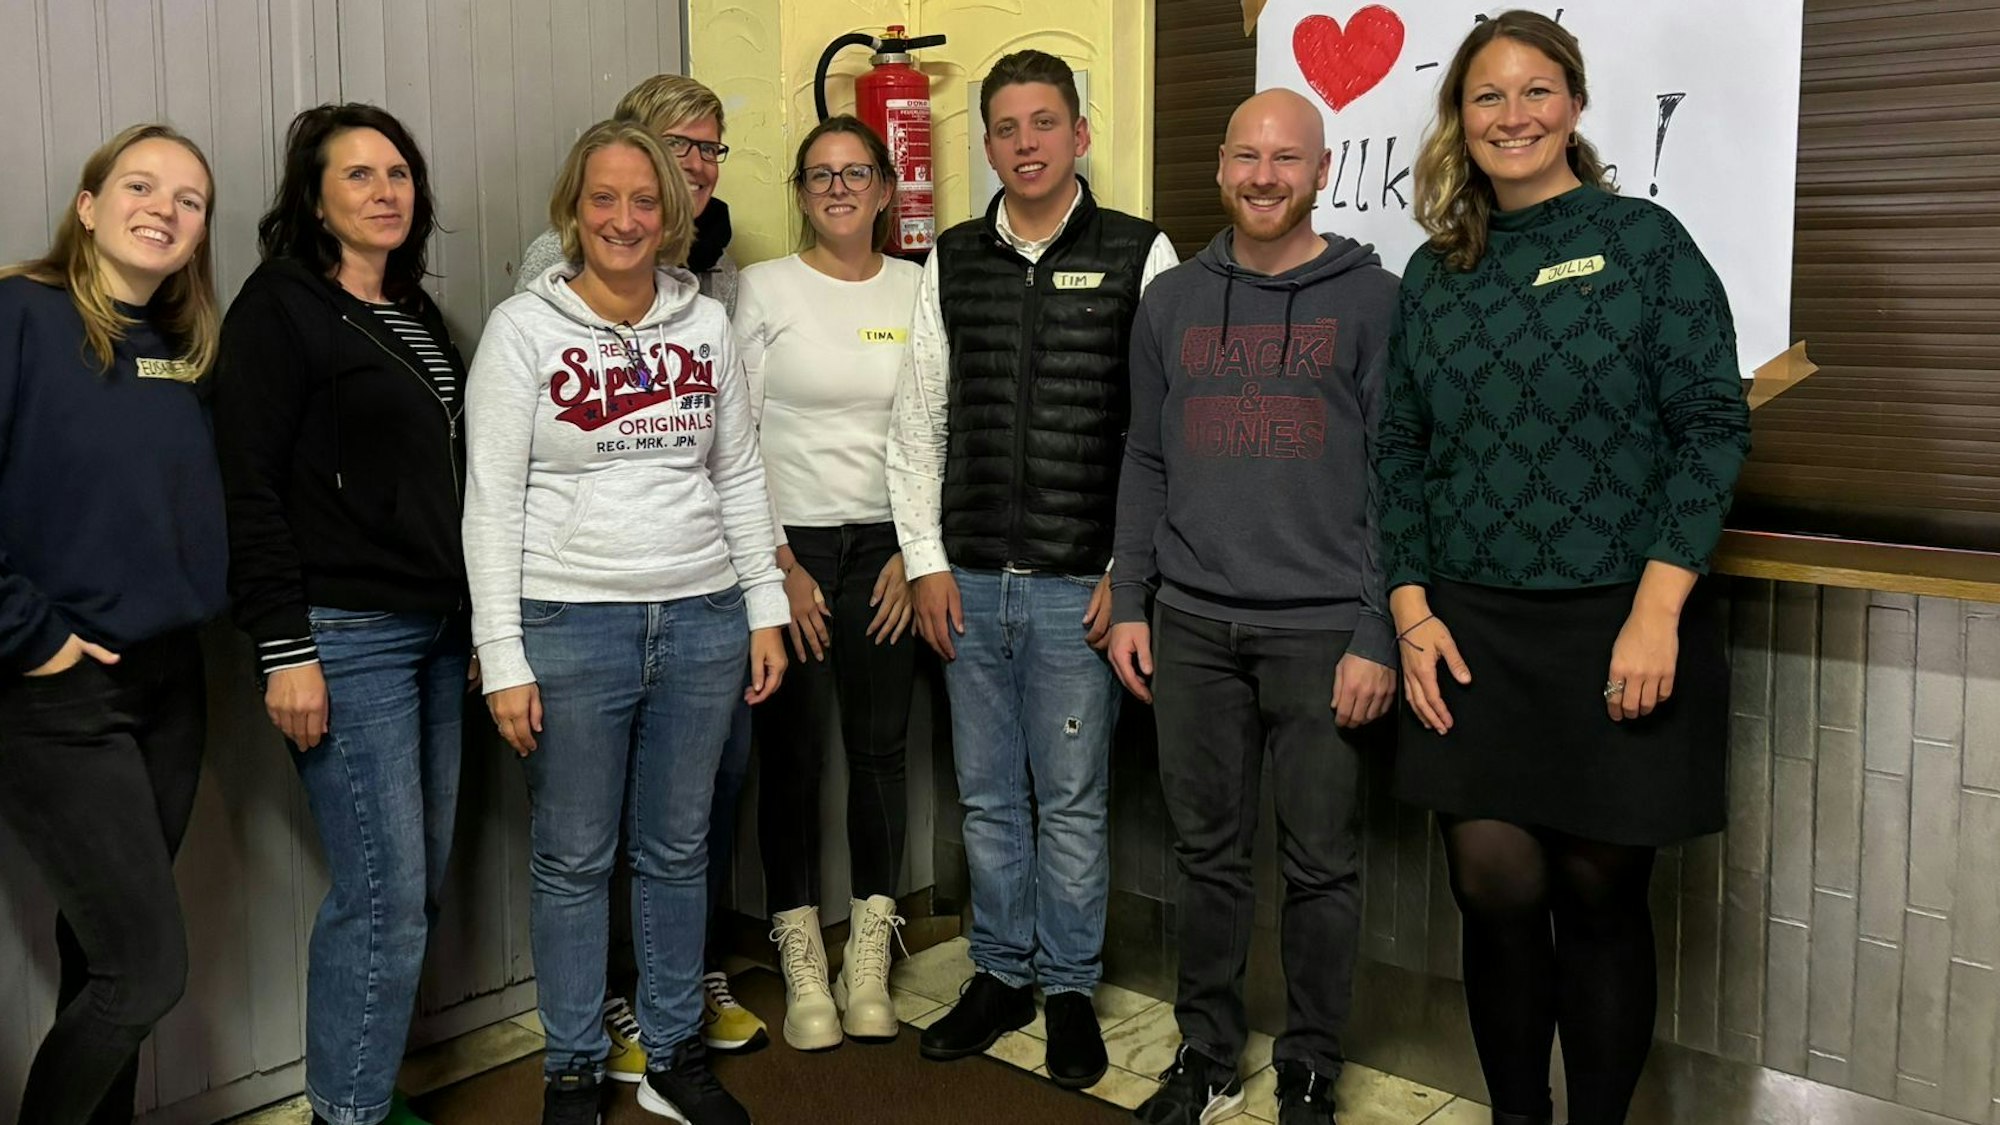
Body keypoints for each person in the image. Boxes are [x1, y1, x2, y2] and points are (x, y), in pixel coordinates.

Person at [1375, 12, 1752, 1125]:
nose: (1512, 116)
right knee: (1491, 889)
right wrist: (1409, 612)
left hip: (1620, 618)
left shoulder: (1645, 243)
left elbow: (1710, 427)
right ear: (1459, 118)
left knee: (1598, 896)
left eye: (1535, 91)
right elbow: (1398, 451)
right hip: (1469, 632)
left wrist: (1656, 614)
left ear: (1575, 104)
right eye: (1486, 96)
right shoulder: (1434, 273)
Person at [463, 118, 787, 1125]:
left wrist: (764, 609)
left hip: (703, 617)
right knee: (572, 859)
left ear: (671, 213)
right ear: (574, 209)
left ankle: (673, 1052)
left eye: (645, 200)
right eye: (603, 198)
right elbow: (489, 502)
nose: (624, 218)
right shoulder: (524, 328)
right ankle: (572, 1065)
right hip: (570, 625)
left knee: (679, 849)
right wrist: (501, 653)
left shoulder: (705, 325)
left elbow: (738, 475)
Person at [885, 48, 1179, 1089]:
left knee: (1071, 802)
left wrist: (1126, 571)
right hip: (967, 584)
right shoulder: (952, 259)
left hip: (1075, 589)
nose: (1025, 144)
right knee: (986, 799)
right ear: (987, 145)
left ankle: (1067, 989)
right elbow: (917, 422)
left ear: (1080, 134)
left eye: (1044, 123)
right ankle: (1001, 970)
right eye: (1006, 128)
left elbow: (1162, 432)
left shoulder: (1142, 254)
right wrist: (925, 562)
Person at [1108, 88, 1398, 1125]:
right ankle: (1207, 1055)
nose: (1263, 176)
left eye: (1285, 158)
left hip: (1323, 633)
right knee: (1207, 859)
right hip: (1189, 625)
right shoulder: (1171, 303)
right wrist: (1131, 598)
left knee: (1320, 865)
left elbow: (1398, 477)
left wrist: (1377, 630)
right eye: (1246, 156)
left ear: (1322, 171)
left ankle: (1311, 1063)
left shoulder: (1374, 302)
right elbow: (1145, 457)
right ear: (1221, 166)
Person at [213, 103, 471, 1125]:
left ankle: (358, 1088)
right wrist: (285, 649)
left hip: (436, 631)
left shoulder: (413, 310)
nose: (384, 191)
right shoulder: (279, 308)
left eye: (398, 173)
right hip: (345, 635)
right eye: (358, 175)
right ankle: (348, 1114)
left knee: (415, 887)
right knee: (382, 897)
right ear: (313, 201)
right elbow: (247, 489)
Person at [0, 123, 223, 1125]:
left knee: (102, 962)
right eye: (140, 186)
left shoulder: (181, 346)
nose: (164, 209)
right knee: (144, 972)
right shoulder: (20, 313)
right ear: (88, 207)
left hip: (171, 684)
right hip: (57, 696)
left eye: (189, 200)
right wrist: (31, 636)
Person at [733, 116, 922, 1051]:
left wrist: (915, 552)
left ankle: (870, 953)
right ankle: (802, 951)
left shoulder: (918, 289)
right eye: (820, 175)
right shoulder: (763, 289)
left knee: (881, 750)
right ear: (802, 194)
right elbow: (731, 437)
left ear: (886, 189)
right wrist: (780, 566)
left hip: (887, 549)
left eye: (855, 173)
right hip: (791, 549)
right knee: (794, 755)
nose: (839, 189)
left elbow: (935, 428)